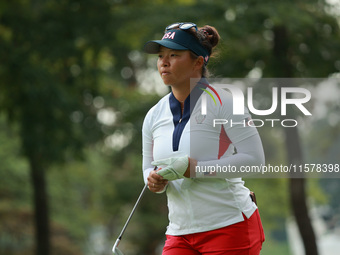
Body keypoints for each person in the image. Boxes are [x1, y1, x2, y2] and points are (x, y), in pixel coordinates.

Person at [142, 22, 265, 255]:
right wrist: (152, 180)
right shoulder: (153, 115)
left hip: (229, 226)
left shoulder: (226, 103)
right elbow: (148, 166)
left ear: (198, 62)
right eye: (161, 56)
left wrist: (197, 169)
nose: (163, 62)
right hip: (179, 233)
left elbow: (255, 160)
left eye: (174, 55)